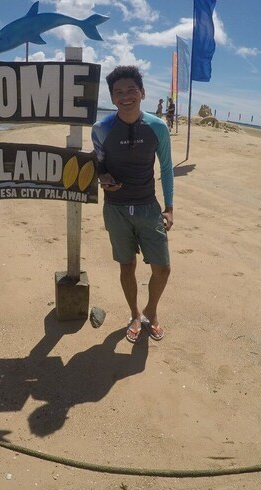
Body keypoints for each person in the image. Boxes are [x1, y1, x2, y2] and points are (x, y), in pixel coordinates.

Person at [91, 66, 174, 343]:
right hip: (115, 208)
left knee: (163, 267)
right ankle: (135, 314)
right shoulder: (101, 128)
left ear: (142, 93)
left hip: (148, 206)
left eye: (131, 90)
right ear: (112, 97)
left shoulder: (157, 127)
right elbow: (99, 165)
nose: (125, 96)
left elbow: (166, 167)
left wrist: (170, 207)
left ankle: (152, 311)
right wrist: (103, 178)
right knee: (126, 266)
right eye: (118, 92)